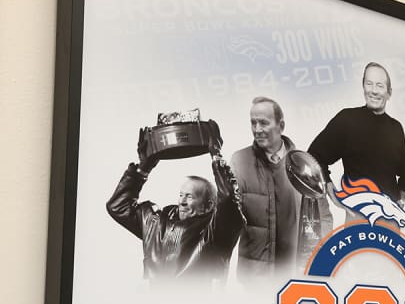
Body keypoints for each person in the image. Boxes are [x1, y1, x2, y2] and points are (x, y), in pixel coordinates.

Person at [107, 135, 245, 282]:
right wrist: (143, 169)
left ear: (209, 205)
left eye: (190, 196)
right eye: (181, 195)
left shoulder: (217, 232)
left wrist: (216, 156)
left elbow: (229, 199)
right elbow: (118, 206)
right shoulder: (154, 222)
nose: (182, 202)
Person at [230, 96, 330, 278]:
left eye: (263, 123)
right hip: (255, 279)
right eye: (253, 123)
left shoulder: (304, 164)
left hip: (294, 274)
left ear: (281, 126)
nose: (257, 130)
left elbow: (323, 218)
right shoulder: (239, 161)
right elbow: (228, 218)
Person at [307, 62, 405, 204]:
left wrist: (400, 200)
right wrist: (331, 190)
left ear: (389, 93)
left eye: (380, 86)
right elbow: (314, 156)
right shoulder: (347, 120)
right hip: (357, 220)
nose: (374, 91)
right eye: (369, 84)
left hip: (390, 222)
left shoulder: (396, 128)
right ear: (363, 87)